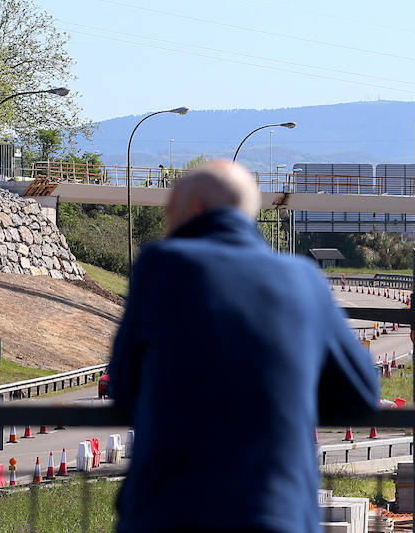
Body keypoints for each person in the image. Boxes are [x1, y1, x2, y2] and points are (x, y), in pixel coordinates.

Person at [108, 160, 379, 532]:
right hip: (277, 515)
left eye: (171, 214)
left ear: (197, 209)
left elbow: (124, 387)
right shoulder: (303, 278)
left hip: (169, 512)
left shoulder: (161, 265)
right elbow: (362, 394)